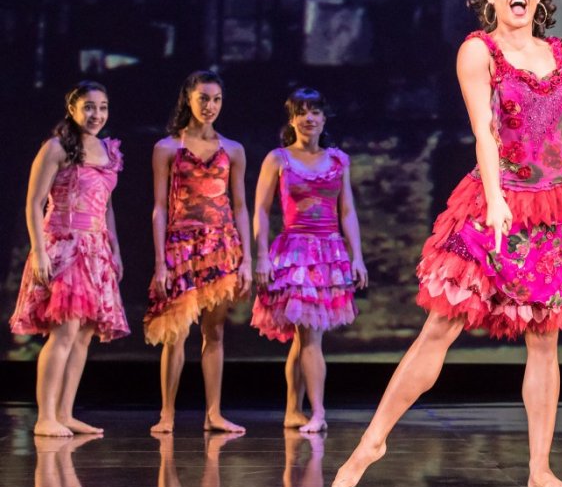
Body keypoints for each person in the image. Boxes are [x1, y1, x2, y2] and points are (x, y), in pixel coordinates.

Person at [332, 0, 562, 487]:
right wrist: (497, 200)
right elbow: (484, 131)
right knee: (441, 325)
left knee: (544, 340)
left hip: (552, 208)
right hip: (495, 201)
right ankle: (373, 440)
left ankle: (539, 466)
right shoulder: (480, 51)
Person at [10, 81, 130, 437]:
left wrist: (114, 249)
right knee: (64, 332)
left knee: (83, 336)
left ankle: (65, 413)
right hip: (64, 247)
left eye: (103, 107)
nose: (97, 114)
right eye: (89, 107)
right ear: (73, 108)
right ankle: (45, 416)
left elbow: (106, 207)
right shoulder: (56, 147)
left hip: (96, 250)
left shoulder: (108, 150)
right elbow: (34, 203)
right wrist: (39, 251)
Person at [251, 88, 367, 433]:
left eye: (315, 111)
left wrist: (357, 257)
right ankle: (317, 412)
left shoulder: (338, 161)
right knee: (310, 338)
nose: (309, 118)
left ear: (324, 118)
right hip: (295, 257)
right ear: (291, 120)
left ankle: (293, 410)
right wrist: (261, 255)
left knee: (305, 338)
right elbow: (260, 210)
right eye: (301, 112)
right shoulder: (278, 159)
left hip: (329, 255)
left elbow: (347, 211)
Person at [144, 70, 252, 434]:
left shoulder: (232, 150)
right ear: (188, 99)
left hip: (220, 247)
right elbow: (160, 207)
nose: (210, 106)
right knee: (176, 332)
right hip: (181, 246)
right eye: (203, 98)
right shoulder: (167, 148)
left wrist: (247, 259)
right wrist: (160, 261)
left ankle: (214, 413)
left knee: (214, 330)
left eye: (216, 99)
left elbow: (240, 206)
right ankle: (167, 414)